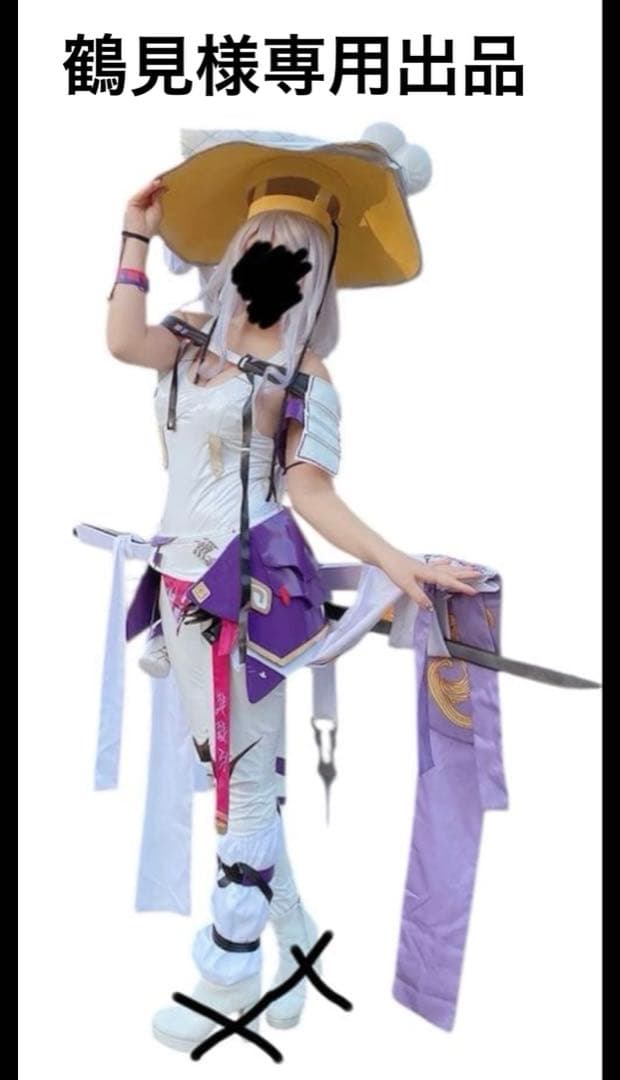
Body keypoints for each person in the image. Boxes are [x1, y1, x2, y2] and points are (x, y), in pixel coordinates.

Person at [105, 125, 482, 1052]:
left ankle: (226, 971)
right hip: (179, 588)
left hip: (251, 593)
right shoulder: (186, 342)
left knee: (246, 783)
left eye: (296, 251)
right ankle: (298, 933)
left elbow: (311, 492)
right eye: (263, 243)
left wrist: (399, 562)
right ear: (238, 249)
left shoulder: (305, 374)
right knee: (231, 775)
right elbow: (120, 341)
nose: (274, 261)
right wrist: (134, 234)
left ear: (315, 274)